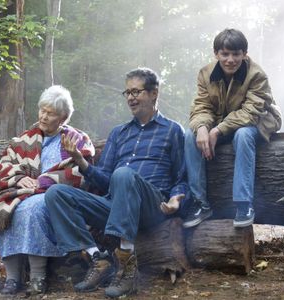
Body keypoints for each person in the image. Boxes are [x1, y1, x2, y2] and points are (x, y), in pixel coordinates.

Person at [45, 68, 189, 298]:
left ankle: (126, 266)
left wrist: (175, 199)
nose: (131, 97)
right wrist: (80, 160)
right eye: (127, 92)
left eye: (136, 91)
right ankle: (97, 259)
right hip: (116, 205)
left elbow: (182, 177)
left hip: (151, 205)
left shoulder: (173, 130)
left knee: (123, 174)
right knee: (56, 193)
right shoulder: (118, 133)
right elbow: (104, 179)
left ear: (154, 93)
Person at [0, 85, 95, 296]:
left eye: (50, 113)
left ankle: (37, 278)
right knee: (3, 207)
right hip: (20, 192)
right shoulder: (24, 139)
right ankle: (12, 278)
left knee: (31, 209)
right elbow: (2, 167)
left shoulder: (76, 139)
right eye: (42, 110)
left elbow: (78, 173)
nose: (43, 117)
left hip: (54, 197)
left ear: (63, 117)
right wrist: (20, 178)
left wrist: (42, 182)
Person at [183, 28, 282, 229]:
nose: (230, 60)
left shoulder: (257, 75)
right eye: (225, 54)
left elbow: (251, 112)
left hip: (258, 120)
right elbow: (202, 106)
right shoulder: (205, 73)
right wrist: (202, 127)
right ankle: (200, 203)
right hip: (224, 121)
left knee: (243, 135)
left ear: (244, 54)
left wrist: (218, 130)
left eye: (236, 54)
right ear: (216, 53)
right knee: (189, 135)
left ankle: (244, 204)